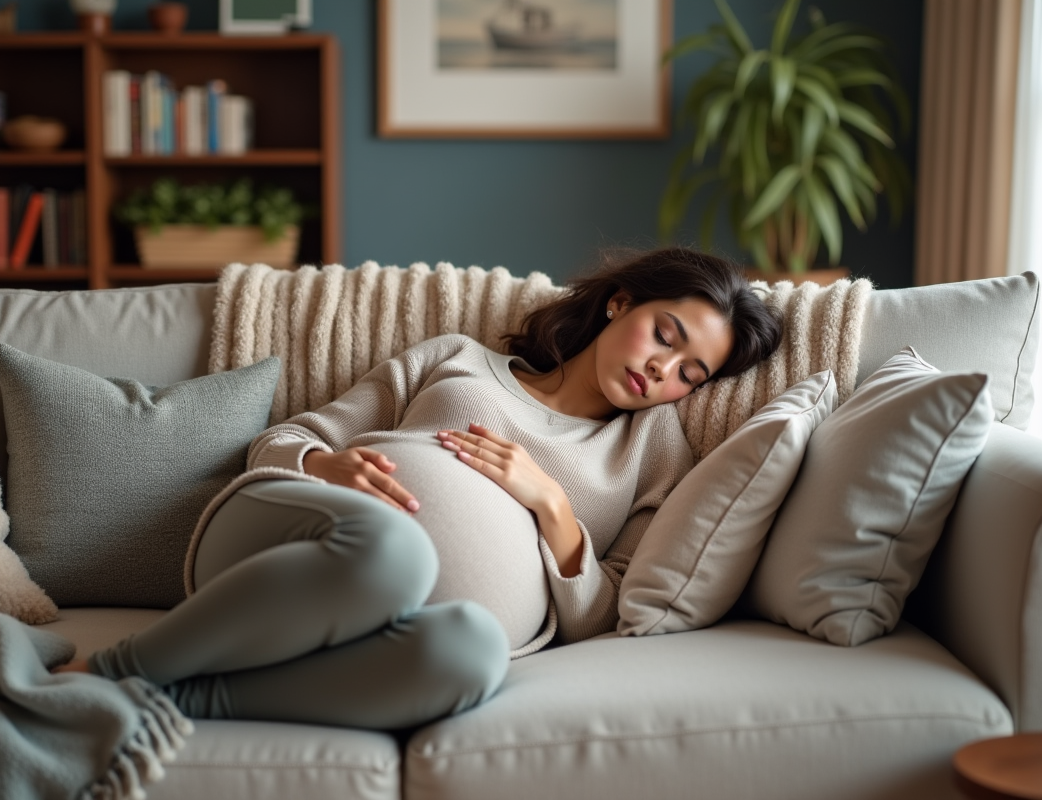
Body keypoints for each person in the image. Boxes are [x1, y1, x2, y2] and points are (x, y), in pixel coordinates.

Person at [54, 246, 783, 730]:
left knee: (472, 654)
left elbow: (602, 617)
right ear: (621, 304)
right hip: (292, 543)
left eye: (691, 372)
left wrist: (550, 504)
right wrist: (326, 467)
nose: (665, 372)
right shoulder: (459, 361)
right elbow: (280, 444)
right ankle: (117, 668)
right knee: (392, 550)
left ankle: (181, 694)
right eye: (667, 334)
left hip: (400, 635)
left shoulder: (655, 451)